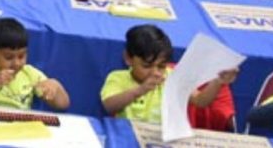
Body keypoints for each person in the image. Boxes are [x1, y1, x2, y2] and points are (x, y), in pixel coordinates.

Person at [102, 25, 238, 125]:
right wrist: (140, 90)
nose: (155, 72)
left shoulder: (172, 76)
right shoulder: (117, 78)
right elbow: (109, 106)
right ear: (128, 58)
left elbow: (200, 101)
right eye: (146, 66)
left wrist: (218, 81)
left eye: (161, 66)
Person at [0, 17, 70, 110]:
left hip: (20, 129)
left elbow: (63, 105)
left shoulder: (30, 73)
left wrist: (55, 86)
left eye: (21, 56)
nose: (16, 63)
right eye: (8, 57)